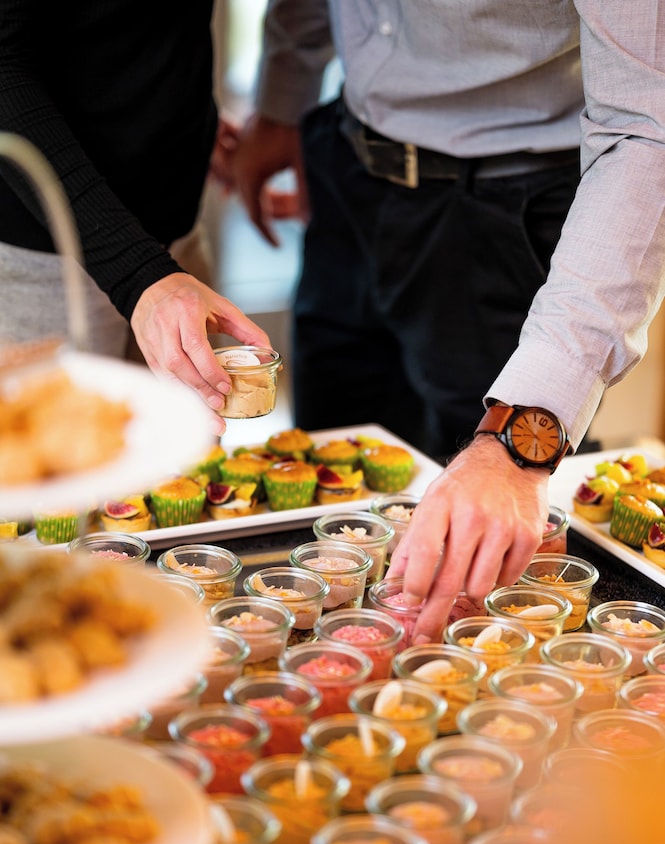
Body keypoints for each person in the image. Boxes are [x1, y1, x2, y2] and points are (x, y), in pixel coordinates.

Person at [225, 0, 665, 640]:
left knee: (489, 562)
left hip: (508, 207)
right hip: (346, 164)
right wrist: (282, 102)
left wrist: (519, 439)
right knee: (340, 521)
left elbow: (648, 129)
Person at [0, 0, 270, 434]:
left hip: (175, 248)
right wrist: (139, 275)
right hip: (48, 267)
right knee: (69, 471)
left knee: (189, 468)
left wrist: (173, 120)